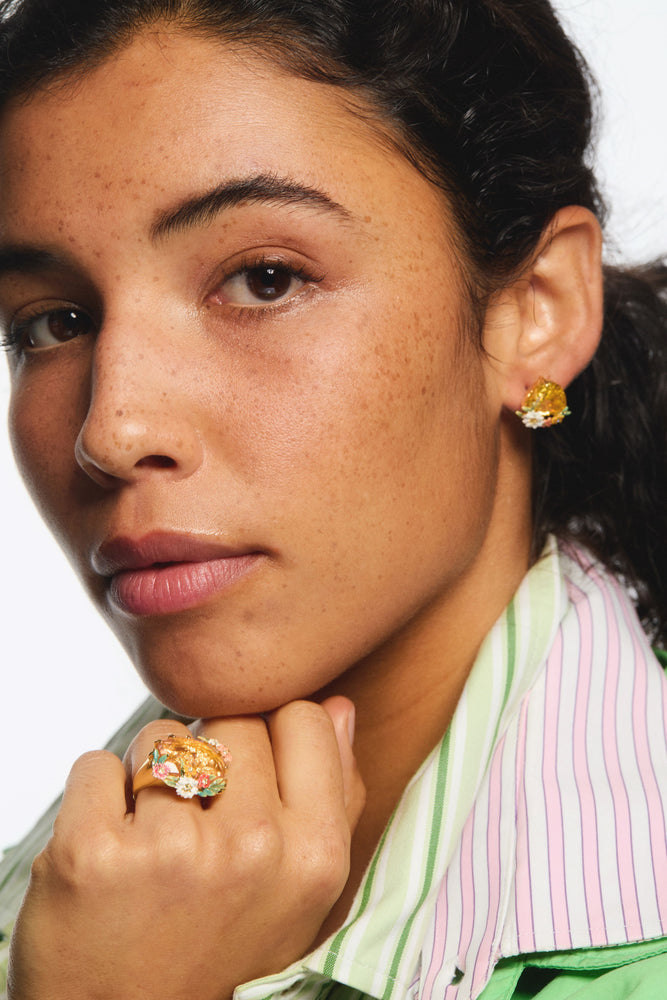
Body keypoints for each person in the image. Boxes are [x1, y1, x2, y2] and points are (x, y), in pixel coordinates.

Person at [0, 0, 666, 997]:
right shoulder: (58, 891)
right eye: (52, 321)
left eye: (264, 280)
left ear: (534, 313)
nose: (113, 430)